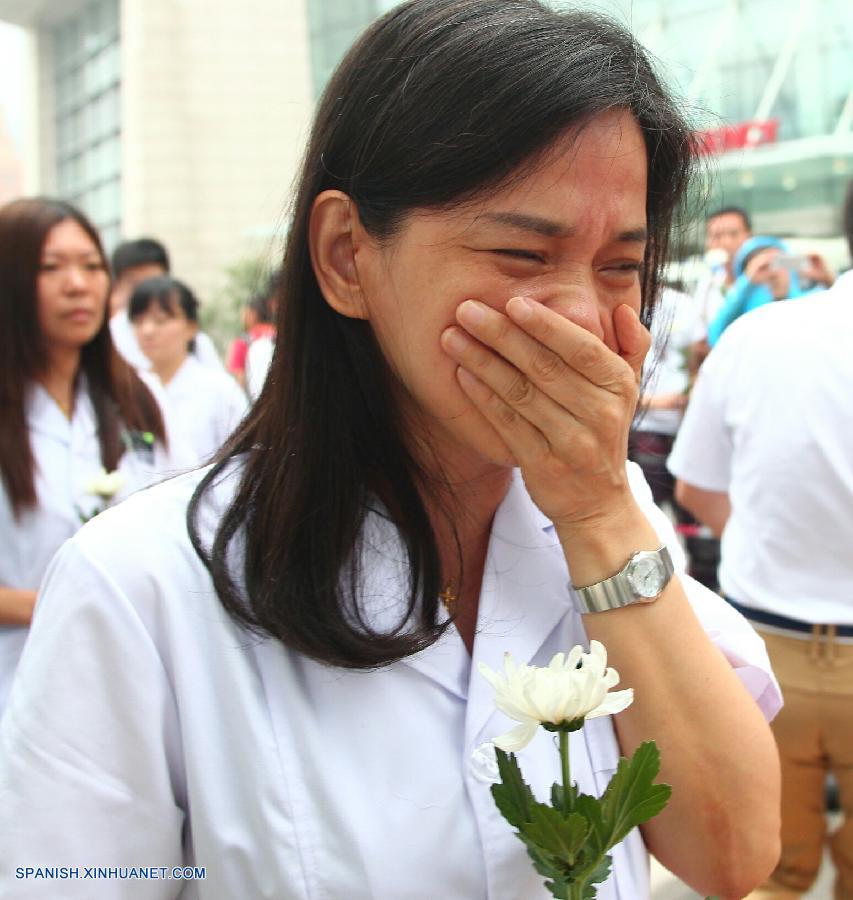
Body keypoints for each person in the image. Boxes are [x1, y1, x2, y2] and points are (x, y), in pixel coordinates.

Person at [0, 3, 781, 899]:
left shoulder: (614, 519)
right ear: (346, 257)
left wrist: (598, 514)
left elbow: (730, 853)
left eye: (617, 268)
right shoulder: (138, 587)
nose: (577, 317)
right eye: (521, 253)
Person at [669, 264, 853, 898]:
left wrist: (761, 545)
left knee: (766, 876)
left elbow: (695, 488)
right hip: (764, 650)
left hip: (764, 654)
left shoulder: (756, 335)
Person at [0, 197, 174, 715]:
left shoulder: (134, 399)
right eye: (50, 267)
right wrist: (62, 603)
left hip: (123, 684)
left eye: (92, 266)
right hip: (15, 684)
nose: (77, 284)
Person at [129, 275, 248, 464]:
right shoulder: (129, 390)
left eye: (160, 320)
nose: (147, 330)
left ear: (192, 327)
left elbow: (241, 460)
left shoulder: (220, 391)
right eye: (138, 321)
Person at [109, 237, 223, 371]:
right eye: (135, 284)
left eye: (154, 281)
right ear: (118, 285)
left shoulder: (193, 339)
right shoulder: (109, 338)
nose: (146, 291)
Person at [707, 234, 833, 346]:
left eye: (780, 262)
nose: (773, 272)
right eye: (763, 267)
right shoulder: (740, 309)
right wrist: (746, 284)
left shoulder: (811, 300)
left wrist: (828, 281)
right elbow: (716, 338)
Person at [226, 294, 276, 390]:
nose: (242, 317)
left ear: (253, 314)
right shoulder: (280, 335)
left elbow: (239, 381)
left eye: (244, 312)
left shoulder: (243, 341)